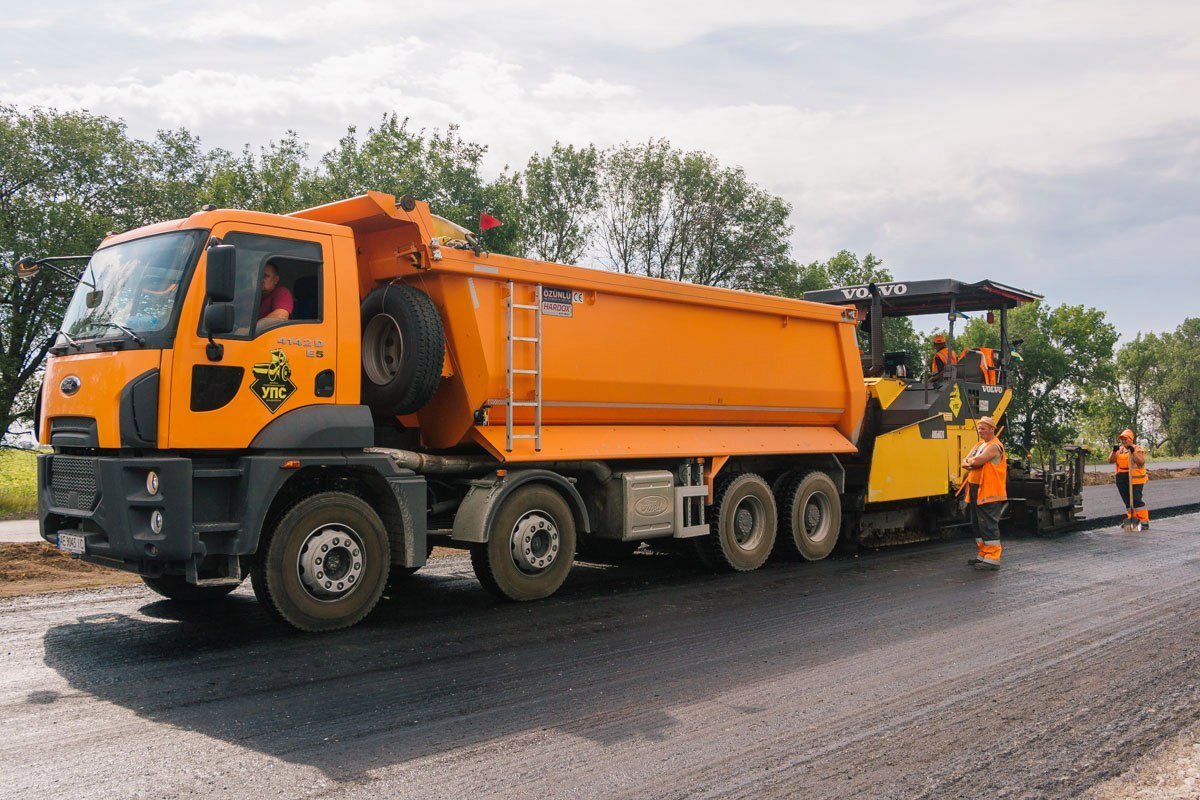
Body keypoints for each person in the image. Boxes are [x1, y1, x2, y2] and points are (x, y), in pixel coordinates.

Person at [963, 415, 1007, 570]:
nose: (980, 431)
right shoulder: (979, 445)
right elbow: (965, 461)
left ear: (991, 429)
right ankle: (983, 554)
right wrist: (971, 463)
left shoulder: (994, 446)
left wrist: (971, 463)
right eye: (979, 428)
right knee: (977, 524)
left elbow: (975, 461)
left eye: (983, 428)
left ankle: (993, 558)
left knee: (988, 524)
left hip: (989, 491)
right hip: (976, 490)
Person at [1108, 428, 1149, 530]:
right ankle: (1132, 519)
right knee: (1127, 501)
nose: (1124, 441)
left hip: (1134, 479)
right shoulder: (1120, 450)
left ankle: (1144, 521)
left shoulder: (1137, 448)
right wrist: (1114, 451)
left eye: (1126, 439)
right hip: (1121, 478)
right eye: (1122, 439)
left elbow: (1141, 462)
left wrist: (1133, 452)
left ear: (1131, 439)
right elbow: (1111, 461)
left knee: (1136, 500)